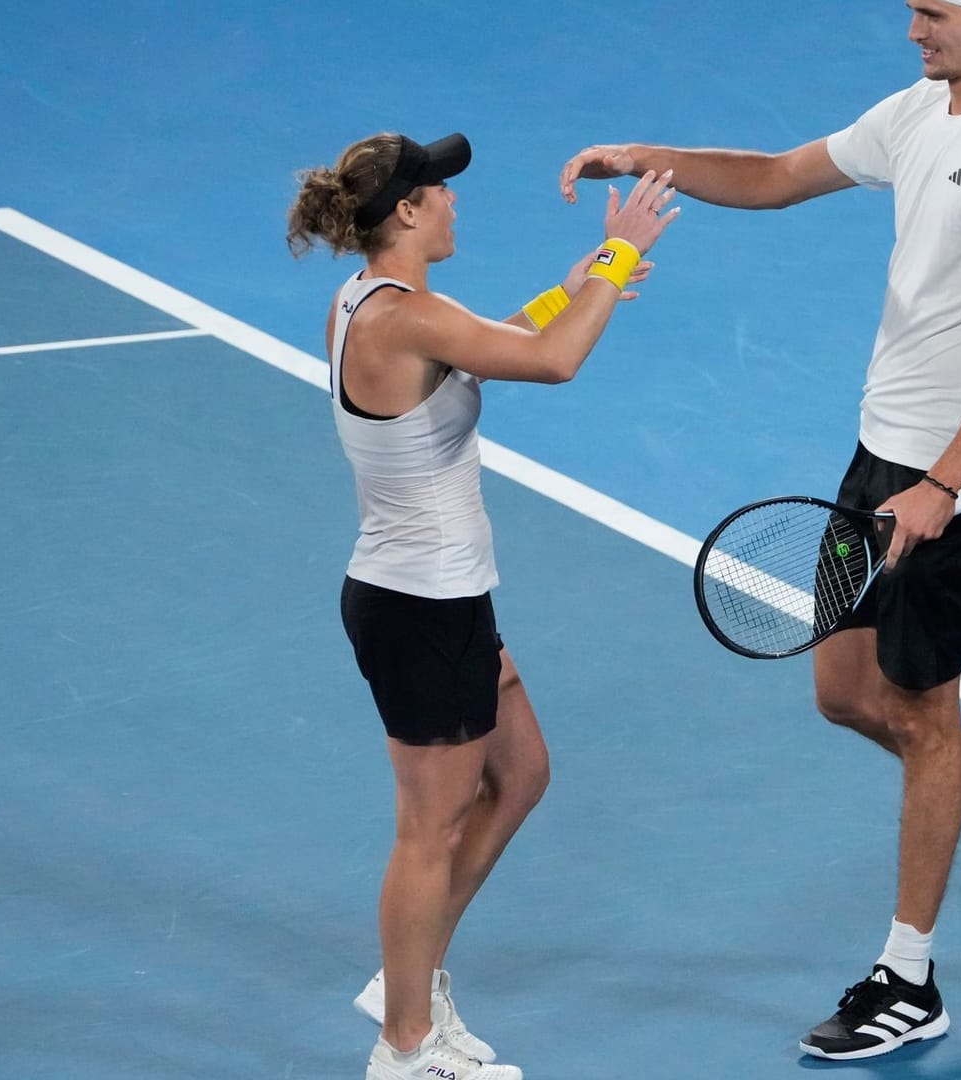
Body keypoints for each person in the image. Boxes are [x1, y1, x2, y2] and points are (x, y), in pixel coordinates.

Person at [559, 0, 961, 1060]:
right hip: (878, 456)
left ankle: (909, 978)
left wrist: (945, 485)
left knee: (920, 717)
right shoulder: (921, 109)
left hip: (952, 483)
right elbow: (778, 175)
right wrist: (649, 158)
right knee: (847, 694)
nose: (914, 29)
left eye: (935, 12)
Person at [288, 130, 678, 1080]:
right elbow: (550, 363)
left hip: (441, 601)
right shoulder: (403, 317)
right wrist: (619, 253)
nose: (457, 201)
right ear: (409, 212)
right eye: (441, 191)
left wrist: (575, 289)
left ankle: (405, 978)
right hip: (419, 607)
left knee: (525, 773)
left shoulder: (378, 303)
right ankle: (405, 1046)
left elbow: (486, 352)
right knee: (428, 829)